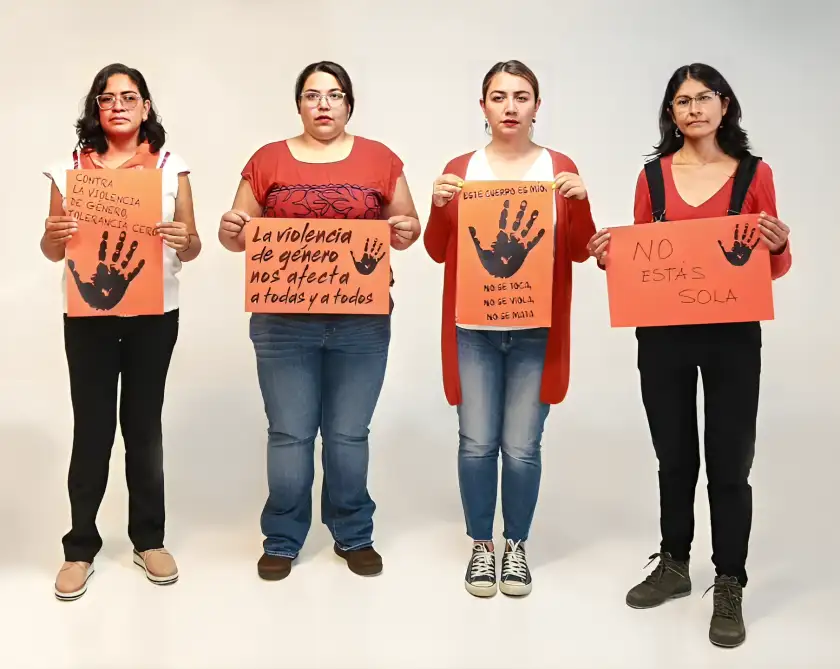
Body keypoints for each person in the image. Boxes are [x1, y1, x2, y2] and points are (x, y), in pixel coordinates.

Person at [587, 63, 792, 648]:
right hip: (663, 334)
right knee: (674, 457)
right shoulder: (651, 178)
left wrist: (778, 245)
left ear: (726, 106)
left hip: (731, 333)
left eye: (705, 98)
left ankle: (729, 580)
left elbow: (772, 266)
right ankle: (675, 563)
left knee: (729, 463)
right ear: (671, 113)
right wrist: (612, 255)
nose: (694, 108)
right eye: (682, 101)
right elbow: (643, 259)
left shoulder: (754, 174)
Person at [218, 61, 420, 581]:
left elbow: (409, 224)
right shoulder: (266, 161)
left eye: (334, 95)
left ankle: (354, 534)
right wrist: (233, 227)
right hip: (283, 323)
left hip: (362, 321)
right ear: (299, 105)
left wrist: (403, 229)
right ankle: (283, 539)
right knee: (289, 433)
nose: (323, 104)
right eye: (312, 95)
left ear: (349, 103)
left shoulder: (381, 160)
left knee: (349, 433)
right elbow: (236, 235)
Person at [423, 60, 596, 598]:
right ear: (483, 107)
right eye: (499, 97)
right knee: (476, 443)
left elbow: (577, 252)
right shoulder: (462, 168)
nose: (511, 107)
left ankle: (516, 545)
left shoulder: (558, 167)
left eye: (521, 97)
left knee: (521, 446)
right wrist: (438, 208)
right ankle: (482, 545)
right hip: (472, 328)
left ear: (537, 106)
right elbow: (435, 251)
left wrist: (581, 202)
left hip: (535, 329)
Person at [41, 63, 200, 601]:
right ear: (96, 108)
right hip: (87, 317)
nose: (118, 105)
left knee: (143, 424)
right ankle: (80, 547)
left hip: (156, 315)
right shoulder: (70, 169)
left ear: (146, 107)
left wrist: (183, 236)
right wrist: (54, 233)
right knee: (91, 428)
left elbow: (193, 244)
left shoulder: (172, 168)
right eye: (107, 98)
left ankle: (148, 538)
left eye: (128, 97)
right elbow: (52, 248)